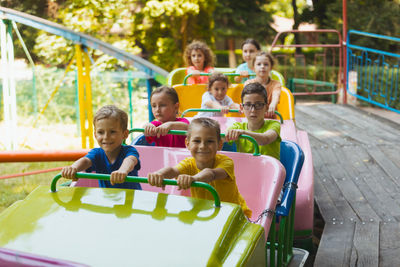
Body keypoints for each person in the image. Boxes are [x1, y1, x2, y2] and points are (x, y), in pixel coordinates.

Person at [147, 117, 252, 218]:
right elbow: (172, 170)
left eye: (209, 141)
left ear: (219, 144)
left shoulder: (226, 162)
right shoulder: (189, 163)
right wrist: (160, 174)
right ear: (187, 144)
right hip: (207, 214)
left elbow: (211, 173)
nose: (202, 146)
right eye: (197, 141)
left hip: (234, 214)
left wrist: (194, 179)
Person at [61, 105, 141, 189]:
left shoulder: (129, 151)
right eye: (101, 132)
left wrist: (123, 171)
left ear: (124, 134)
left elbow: (130, 160)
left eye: (112, 132)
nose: (106, 137)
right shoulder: (97, 153)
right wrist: (73, 168)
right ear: (95, 135)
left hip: (131, 199)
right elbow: (85, 161)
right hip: (107, 199)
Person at [225, 82, 281, 160]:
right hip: (247, 170)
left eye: (258, 105)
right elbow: (221, 139)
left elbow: (265, 139)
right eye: (248, 105)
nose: (253, 110)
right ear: (241, 108)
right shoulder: (237, 126)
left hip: (269, 170)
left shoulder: (274, 124)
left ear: (266, 107)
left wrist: (242, 133)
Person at [245, 51, 281, 118]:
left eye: (266, 64)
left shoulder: (276, 84)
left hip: (270, 119)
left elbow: (276, 96)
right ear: (253, 68)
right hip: (253, 118)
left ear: (271, 67)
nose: (262, 67)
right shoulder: (249, 83)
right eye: (259, 64)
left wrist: (273, 104)